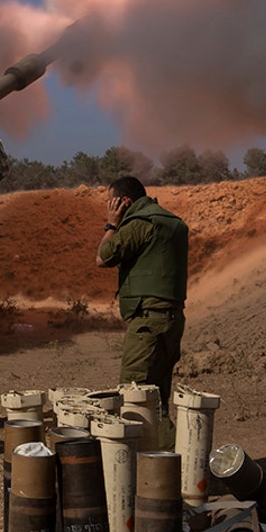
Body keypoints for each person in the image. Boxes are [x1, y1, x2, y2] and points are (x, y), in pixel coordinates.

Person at [95, 176, 188, 420]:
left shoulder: (140, 223)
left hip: (148, 324)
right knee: (157, 400)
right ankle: (166, 455)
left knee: (133, 397)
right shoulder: (171, 222)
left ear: (124, 201)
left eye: (111, 202)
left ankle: (154, 456)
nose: (109, 207)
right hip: (172, 319)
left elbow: (103, 258)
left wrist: (111, 225)